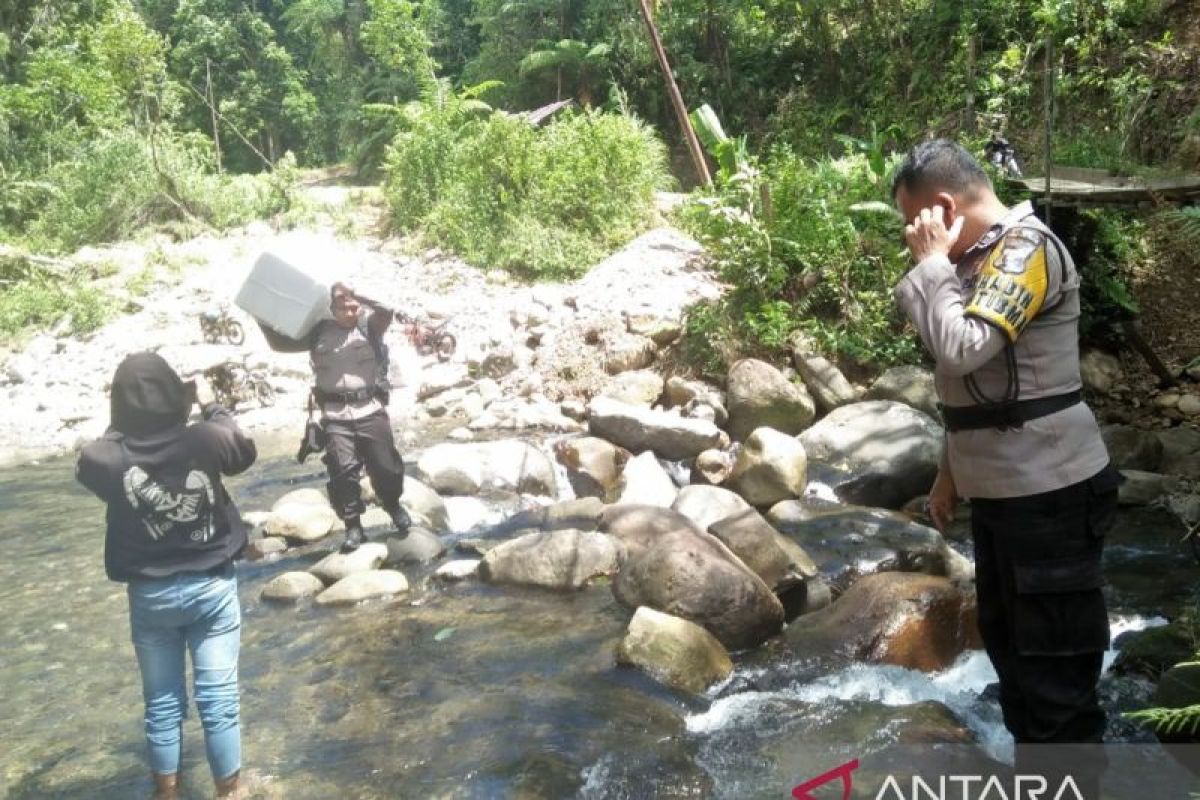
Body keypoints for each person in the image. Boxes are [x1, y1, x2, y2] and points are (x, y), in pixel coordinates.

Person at [890, 140, 1121, 751]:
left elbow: (962, 347)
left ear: (942, 206)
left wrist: (932, 264)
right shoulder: (973, 262)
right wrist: (948, 474)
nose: (912, 237)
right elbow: (965, 388)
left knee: (1056, 691)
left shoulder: (1027, 251)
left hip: (1051, 493)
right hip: (1002, 498)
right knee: (1017, 675)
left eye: (913, 221)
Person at [75, 352, 258, 800]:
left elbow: (94, 459)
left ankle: (167, 793)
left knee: (161, 702)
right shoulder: (204, 440)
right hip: (211, 586)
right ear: (175, 393)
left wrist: (123, 422)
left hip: (151, 595)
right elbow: (243, 448)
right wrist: (209, 404)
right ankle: (229, 791)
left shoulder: (107, 457)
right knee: (218, 700)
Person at [260, 282, 411, 552]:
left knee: (386, 467)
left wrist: (357, 293)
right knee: (342, 471)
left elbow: (387, 309)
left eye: (353, 301)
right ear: (330, 308)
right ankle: (353, 525)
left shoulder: (369, 326)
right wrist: (261, 311)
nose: (349, 306)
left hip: (370, 409)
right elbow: (278, 341)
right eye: (341, 302)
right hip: (335, 414)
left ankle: (393, 505)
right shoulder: (316, 332)